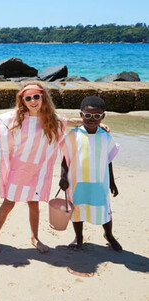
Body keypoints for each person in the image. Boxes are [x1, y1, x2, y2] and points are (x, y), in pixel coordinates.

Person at [0, 82, 97, 254]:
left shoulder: (51, 119)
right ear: (23, 101)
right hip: (18, 167)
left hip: (37, 169)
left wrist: (95, 124)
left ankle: (35, 238)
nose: (33, 101)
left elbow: (70, 122)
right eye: (28, 98)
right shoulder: (15, 117)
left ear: (43, 97)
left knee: (33, 203)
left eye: (36, 97)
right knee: (9, 202)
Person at [59, 95, 122, 251]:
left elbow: (108, 160)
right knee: (77, 210)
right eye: (87, 115)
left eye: (96, 116)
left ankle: (109, 235)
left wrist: (112, 182)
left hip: (100, 182)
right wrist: (62, 177)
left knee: (104, 209)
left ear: (103, 116)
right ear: (81, 115)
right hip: (76, 181)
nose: (91, 119)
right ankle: (79, 238)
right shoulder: (73, 135)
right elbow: (65, 158)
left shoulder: (105, 137)